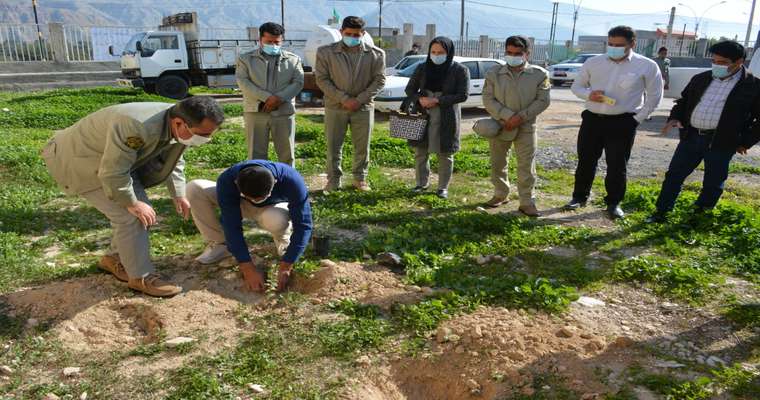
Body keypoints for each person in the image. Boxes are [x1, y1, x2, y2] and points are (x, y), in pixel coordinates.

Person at [40, 97, 224, 297]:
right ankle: (140, 277)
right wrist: (132, 203)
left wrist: (179, 194)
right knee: (133, 217)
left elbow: (174, 158)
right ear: (179, 123)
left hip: (115, 161)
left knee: (139, 213)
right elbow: (112, 173)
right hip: (79, 160)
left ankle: (114, 257)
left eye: (211, 135)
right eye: (203, 135)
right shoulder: (137, 126)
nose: (206, 139)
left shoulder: (178, 121)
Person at [647, 41, 760, 223]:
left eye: (722, 62)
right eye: (714, 61)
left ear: (739, 62)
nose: (716, 65)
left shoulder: (753, 86)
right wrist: (675, 118)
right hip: (691, 137)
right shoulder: (701, 79)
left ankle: (700, 216)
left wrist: (745, 141)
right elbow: (683, 102)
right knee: (674, 175)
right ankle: (661, 211)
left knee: (713, 181)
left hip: (722, 142)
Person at [565, 26, 663, 219]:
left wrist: (636, 120)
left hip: (623, 122)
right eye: (610, 44)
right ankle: (579, 197)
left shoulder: (647, 65)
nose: (614, 48)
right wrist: (588, 95)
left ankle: (614, 202)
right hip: (592, 120)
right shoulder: (594, 62)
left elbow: (654, 97)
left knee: (617, 164)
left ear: (632, 44)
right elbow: (577, 86)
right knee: (586, 160)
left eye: (619, 45)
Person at [186, 160, 312, 292]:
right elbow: (231, 224)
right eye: (253, 198)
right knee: (194, 187)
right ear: (237, 183)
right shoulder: (228, 179)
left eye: (260, 198)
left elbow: (303, 225)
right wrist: (247, 268)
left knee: (275, 219)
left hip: (273, 208)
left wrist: (287, 264)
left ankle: (282, 238)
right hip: (241, 203)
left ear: (274, 182)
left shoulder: (291, 179)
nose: (256, 201)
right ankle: (220, 244)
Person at [315, 16, 386, 192]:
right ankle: (333, 180)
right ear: (341, 32)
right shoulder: (326, 52)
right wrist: (344, 99)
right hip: (335, 107)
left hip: (363, 108)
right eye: (348, 34)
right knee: (333, 145)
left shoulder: (376, 54)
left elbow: (379, 80)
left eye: (356, 34)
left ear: (363, 34)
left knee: (362, 146)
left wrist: (359, 99)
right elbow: (322, 80)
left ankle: (360, 179)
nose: (352, 37)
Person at [482, 35, 551, 216]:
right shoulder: (494, 73)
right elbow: (488, 99)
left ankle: (527, 202)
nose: (512, 56)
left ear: (527, 54)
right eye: (509, 52)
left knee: (526, 166)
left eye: (518, 53)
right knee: (498, 163)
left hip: (526, 127)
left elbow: (542, 101)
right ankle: (500, 194)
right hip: (500, 125)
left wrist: (520, 117)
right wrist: (506, 116)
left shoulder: (539, 74)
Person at [402, 36, 469, 199]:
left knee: (445, 153)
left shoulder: (460, 70)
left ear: (449, 52)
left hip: (446, 115)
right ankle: (421, 183)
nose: (436, 55)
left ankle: (442, 187)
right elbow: (409, 89)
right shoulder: (422, 68)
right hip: (423, 113)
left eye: (441, 52)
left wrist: (438, 100)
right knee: (420, 150)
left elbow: (463, 95)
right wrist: (420, 99)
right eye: (433, 52)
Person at [236, 22, 304, 166]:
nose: (273, 45)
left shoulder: (293, 59)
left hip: (283, 112)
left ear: (282, 40)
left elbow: (298, 82)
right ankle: (257, 186)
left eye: (277, 42)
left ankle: (287, 185)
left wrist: (279, 98)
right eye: (269, 42)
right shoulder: (246, 59)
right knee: (256, 155)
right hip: (256, 111)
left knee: (287, 154)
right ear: (260, 40)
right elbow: (243, 82)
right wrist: (267, 98)